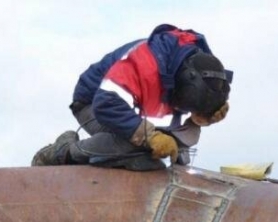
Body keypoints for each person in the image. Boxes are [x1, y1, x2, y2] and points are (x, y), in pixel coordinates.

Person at [31, 24, 232, 171]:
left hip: (133, 109)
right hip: (94, 103)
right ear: (181, 83)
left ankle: (121, 155)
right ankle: (63, 151)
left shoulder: (203, 64)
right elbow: (105, 104)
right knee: (133, 148)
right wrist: (150, 137)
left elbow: (185, 120)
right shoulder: (147, 65)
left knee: (154, 158)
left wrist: (203, 115)